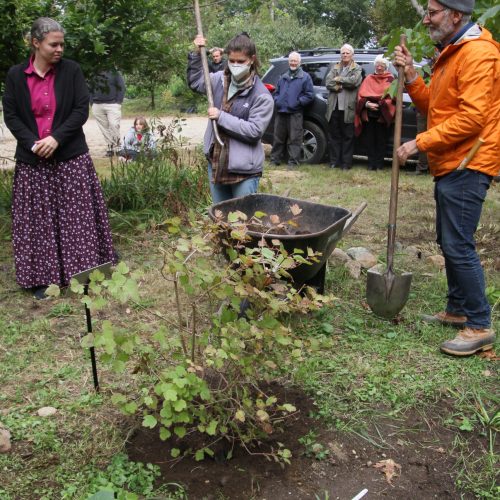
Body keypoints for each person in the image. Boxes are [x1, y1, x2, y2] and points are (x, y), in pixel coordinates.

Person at [394, 0, 499, 356]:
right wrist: (411, 75)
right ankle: (457, 309)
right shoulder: (452, 52)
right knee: (448, 237)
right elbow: (435, 109)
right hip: (452, 162)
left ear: (456, 15)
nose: (426, 19)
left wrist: (418, 142)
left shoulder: (478, 54)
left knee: (458, 243)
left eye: (433, 12)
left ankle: (479, 325)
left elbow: (472, 119)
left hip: (471, 160)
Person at [2, 17, 117, 300]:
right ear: (36, 43)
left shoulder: (72, 71)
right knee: (38, 222)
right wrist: (32, 143)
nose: (59, 49)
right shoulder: (16, 76)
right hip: (33, 161)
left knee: (77, 219)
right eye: (54, 44)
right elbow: (12, 115)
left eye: (62, 44)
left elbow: (81, 109)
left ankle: (85, 273)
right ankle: (43, 280)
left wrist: (56, 138)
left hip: (70, 157)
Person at [187, 32, 274, 203]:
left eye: (240, 61)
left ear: (251, 59)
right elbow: (196, 81)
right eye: (231, 60)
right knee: (220, 220)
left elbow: (254, 131)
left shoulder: (261, 95)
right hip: (217, 162)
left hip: (244, 170)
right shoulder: (219, 80)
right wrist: (197, 54)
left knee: (242, 222)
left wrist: (221, 116)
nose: (235, 65)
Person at [270, 51, 314, 169]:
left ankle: (293, 162)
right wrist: (277, 100)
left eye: (295, 61)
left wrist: (298, 103)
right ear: (289, 62)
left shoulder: (305, 77)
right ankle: (275, 159)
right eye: (291, 61)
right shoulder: (283, 76)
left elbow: (309, 95)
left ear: (299, 62)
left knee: (295, 138)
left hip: (295, 113)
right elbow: (276, 92)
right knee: (278, 137)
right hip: (281, 111)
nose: (293, 63)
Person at [355, 55, 395, 171]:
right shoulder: (368, 78)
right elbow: (360, 95)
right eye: (377, 64)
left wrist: (381, 105)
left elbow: (393, 97)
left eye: (382, 65)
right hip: (368, 114)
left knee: (381, 140)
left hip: (382, 114)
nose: (379, 67)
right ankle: (371, 163)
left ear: (385, 67)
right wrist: (367, 104)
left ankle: (379, 164)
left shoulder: (390, 79)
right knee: (369, 140)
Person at [325, 44, 363, 170]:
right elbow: (328, 82)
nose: (345, 55)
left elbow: (354, 82)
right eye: (343, 53)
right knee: (334, 136)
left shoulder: (357, 68)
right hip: (334, 108)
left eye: (347, 53)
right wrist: (340, 86)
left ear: (352, 55)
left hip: (348, 109)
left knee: (348, 137)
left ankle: (346, 163)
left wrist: (339, 78)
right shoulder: (335, 66)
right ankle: (334, 161)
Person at [89, 69, 126, 156]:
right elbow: (89, 89)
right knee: (104, 128)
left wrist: (118, 102)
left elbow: (122, 87)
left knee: (114, 125)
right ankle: (110, 147)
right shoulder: (93, 74)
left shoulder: (115, 73)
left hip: (113, 104)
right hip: (97, 105)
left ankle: (118, 147)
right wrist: (92, 102)